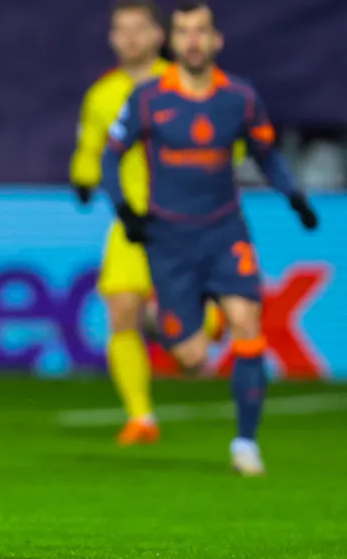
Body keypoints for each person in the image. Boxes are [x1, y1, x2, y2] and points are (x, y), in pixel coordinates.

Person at [99, 1, 319, 476]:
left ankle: (245, 443)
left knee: (247, 321)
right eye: (184, 32)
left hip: (225, 231)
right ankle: (161, 320)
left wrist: (294, 196)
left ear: (217, 40)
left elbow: (267, 154)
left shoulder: (239, 98)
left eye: (201, 31)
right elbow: (110, 157)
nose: (193, 40)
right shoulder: (149, 98)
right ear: (172, 41)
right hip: (169, 241)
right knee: (192, 358)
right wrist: (125, 211)